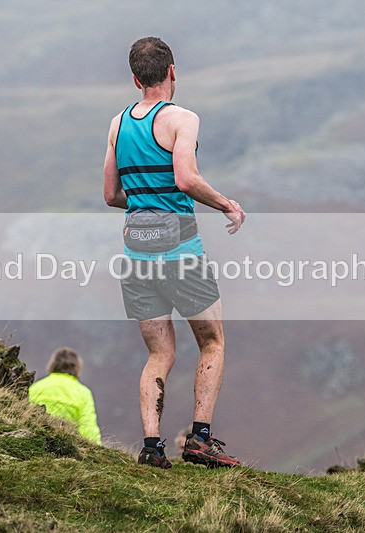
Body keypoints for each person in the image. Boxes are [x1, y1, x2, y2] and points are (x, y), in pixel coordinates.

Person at [103, 36, 246, 468]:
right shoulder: (183, 119)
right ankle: (200, 441)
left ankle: (151, 448)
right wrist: (226, 204)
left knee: (159, 354)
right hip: (180, 249)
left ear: (134, 78)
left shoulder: (117, 124)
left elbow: (111, 195)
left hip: (136, 250)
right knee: (213, 342)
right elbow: (185, 178)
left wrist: (146, 203)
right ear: (171, 72)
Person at [28, 347, 102, 445]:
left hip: (35, 439)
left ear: (53, 365)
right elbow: (88, 426)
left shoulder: (36, 387)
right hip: (66, 445)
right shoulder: (83, 392)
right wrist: (97, 452)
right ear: (77, 367)